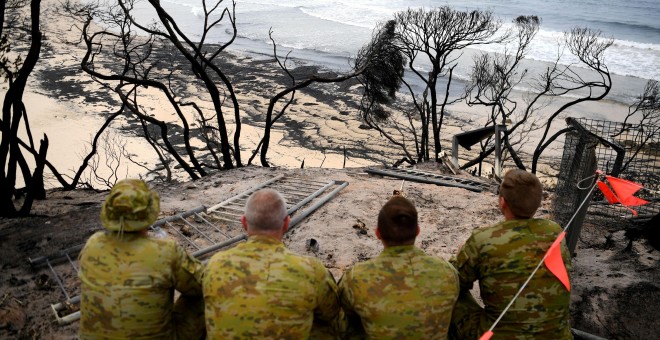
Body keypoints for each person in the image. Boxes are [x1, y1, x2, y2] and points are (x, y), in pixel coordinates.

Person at [449, 169, 573, 339]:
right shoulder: (554, 231)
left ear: (502, 202)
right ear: (537, 203)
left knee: (452, 293)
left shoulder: (483, 238)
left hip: (496, 336)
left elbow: (454, 281)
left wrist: (459, 254)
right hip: (557, 336)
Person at [203, 188, 343, 338]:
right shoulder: (311, 270)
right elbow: (332, 313)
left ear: (244, 222)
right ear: (286, 223)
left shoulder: (215, 264)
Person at [78, 179, 205, 339]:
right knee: (203, 296)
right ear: (149, 212)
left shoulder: (92, 244)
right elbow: (201, 283)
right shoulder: (165, 251)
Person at [338, 196, 460, 339]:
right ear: (418, 231)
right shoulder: (447, 271)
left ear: (378, 233)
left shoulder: (355, 277)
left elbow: (337, 311)